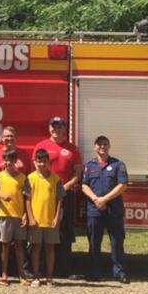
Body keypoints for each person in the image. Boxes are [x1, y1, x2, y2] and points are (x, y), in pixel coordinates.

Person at [33, 117, 82, 277]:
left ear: (65, 129)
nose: (56, 129)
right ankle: (40, 269)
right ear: (49, 128)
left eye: (60, 126)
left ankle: (64, 269)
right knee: (41, 230)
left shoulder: (72, 149)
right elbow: (36, 171)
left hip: (65, 195)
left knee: (64, 232)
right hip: (44, 196)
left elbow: (78, 172)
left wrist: (65, 187)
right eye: (53, 126)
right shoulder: (41, 146)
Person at [80, 135, 130, 284]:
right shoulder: (89, 166)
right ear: (94, 147)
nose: (102, 146)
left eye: (105, 144)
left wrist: (104, 199)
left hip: (113, 210)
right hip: (94, 210)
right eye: (99, 144)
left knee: (117, 242)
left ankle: (119, 273)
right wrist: (96, 199)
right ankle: (94, 273)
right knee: (94, 243)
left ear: (109, 146)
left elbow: (122, 185)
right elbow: (84, 185)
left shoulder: (118, 165)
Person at [25, 149, 65, 286]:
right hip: (36, 220)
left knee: (50, 248)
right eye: (39, 161)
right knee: (35, 248)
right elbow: (27, 200)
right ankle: (36, 276)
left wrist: (57, 218)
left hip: (50, 220)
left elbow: (60, 200)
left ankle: (49, 277)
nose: (42, 164)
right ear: (35, 162)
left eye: (44, 161)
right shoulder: (30, 178)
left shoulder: (56, 179)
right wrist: (30, 217)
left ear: (49, 162)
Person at [0, 149, 28, 286]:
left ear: (15, 161)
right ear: (3, 161)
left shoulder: (22, 177)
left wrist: (25, 213)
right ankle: (4, 274)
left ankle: (21, 275)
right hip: (4, 215)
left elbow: (26, 198)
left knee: (19, 245)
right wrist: (2, 196)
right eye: (6, 160)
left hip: (18, 215)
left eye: (11, 160)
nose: (8, 163)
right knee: (5, 246)